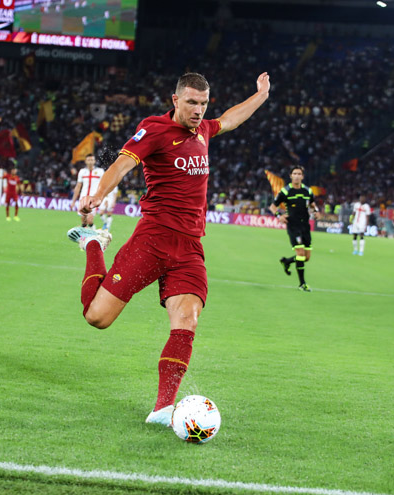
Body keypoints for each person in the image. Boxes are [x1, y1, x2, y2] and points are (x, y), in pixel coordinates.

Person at [66, 71, 270, 426]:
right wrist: (97, 195)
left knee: (187, 320)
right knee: (97, 318)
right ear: (175, 100)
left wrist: (261, 96)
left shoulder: (204, 130)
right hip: (153, 240)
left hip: (190, 247)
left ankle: (162, 408)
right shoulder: (155, 129)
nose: (198, 110)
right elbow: (123, 162)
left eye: (204, 103)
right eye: (191, 102)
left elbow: (231, 119)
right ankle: (93, 243)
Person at [268, 165, 319, 291]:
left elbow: (312, 205)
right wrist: (278, 215)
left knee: (306, 257)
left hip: (305, 226)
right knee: (300, 254)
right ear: (291, 176)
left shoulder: (308, 191)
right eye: (294, 173)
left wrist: (316, 211)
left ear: (302, 176)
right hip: (293, 225)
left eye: (299, 174)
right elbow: (272, 207)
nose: (296, 176)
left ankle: (287, 261)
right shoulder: (286, 191)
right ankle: (302, 284)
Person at [69, 154, 104, 229]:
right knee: (83, 221)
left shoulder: (100, 171)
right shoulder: (82, 172)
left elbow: (103, 186)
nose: (90, 162)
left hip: (93, 199)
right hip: (83, 198)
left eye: (92, 160)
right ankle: (84, 238)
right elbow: (78, 186)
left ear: (94, 161)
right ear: (85, 161)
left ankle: (94, 235)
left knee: (89, 220)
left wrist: (104, 199)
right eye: (89, 160)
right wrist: (73, 201)